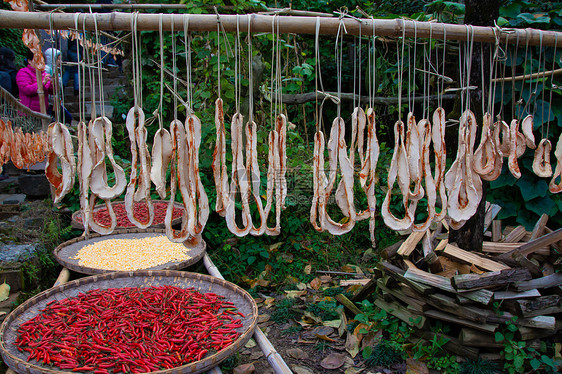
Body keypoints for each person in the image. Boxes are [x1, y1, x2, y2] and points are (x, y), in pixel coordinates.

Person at [16, 49, 53, 113]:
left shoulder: (44, 74)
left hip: (43, 110)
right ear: (29, 61)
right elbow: (27, 90)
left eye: (42, 61)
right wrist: (42, 83)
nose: (40, 63)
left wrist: (53, 84)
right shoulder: (23, 72)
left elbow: (52, 92)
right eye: (37, 61)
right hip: (28, 112)